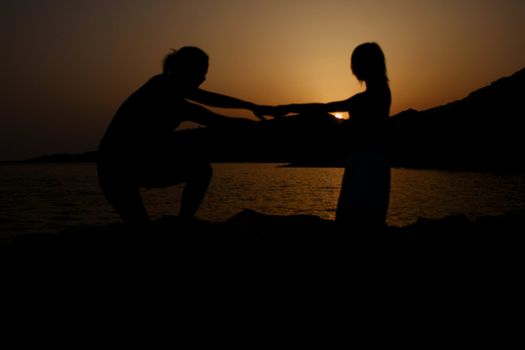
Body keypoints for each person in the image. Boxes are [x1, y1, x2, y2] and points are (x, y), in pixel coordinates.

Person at [97, 46, 266, 233]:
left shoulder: (171, 92)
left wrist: (251, 107)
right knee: (142, 228)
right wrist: (256, 115)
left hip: (138, 164)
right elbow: (212, 109)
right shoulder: (161, 88)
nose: (203, 78)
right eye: (201, 72)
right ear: (183, 70)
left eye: (205, 74)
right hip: (115, 169)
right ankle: (182, 225)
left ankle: (183, 224)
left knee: (200, 170)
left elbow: (212, 107)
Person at [269, 42, 391, 233]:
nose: (354, 70)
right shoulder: (379, 92)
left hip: (366, 163)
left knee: (355, 224)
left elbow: (327, 106)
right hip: (370, 161)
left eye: (356, 64)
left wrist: (288, 108)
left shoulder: (374, 95)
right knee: (365, 224)